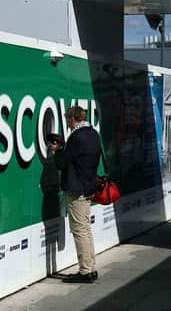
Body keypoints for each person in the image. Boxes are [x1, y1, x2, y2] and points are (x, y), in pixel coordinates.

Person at [50, 106, 101, 283]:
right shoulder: (92, 134)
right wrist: (65, 147)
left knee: (79, 230)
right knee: (85, 229)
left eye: (67, 120)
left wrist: (57, 150)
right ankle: (91, 268)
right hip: (88, 187)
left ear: (73, 119)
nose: (67, 124)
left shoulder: (76, 137)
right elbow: (81, 157)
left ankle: (85, 271)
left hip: (77, 189)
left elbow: (63, 163)